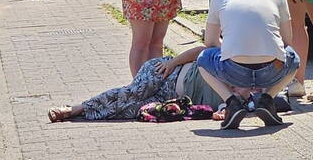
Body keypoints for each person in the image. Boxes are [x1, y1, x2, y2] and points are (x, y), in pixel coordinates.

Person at [197, 0, 300, 129]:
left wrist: (233, 51)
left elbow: (210, 42)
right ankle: (266, 100)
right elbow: (287, 40)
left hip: (234, 70)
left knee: (203, 58)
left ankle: (231, 102)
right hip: (271, 71)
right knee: (293, 57)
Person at [46, 45, 220, 122]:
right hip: (164, 72)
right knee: (131, 93)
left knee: (130, 111)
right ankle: (77, 108)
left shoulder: (243, 97)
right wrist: (171, 63)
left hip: (168, 99)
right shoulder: (229, 64)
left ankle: (81, 114)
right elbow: (200, 51)